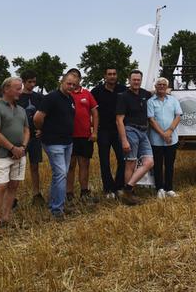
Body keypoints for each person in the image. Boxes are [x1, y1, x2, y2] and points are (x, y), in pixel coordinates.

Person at [0, 77, 29, 238]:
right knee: (1, 187)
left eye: (21, 88)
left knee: (13, 186)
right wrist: (12, 148)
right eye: (18, 88)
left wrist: (23, 147)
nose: (21, 91)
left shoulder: (22, 110)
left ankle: (6, 218)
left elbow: (27, 130)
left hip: (19, 154)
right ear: (6, 89)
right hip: (1, 156)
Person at [34, 72, 77, 219]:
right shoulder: (51, 97)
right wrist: (42, 130)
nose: (71, 86)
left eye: (73, 85)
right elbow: (38, 117)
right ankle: (57, 210)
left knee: (59, 175)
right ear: (62, 82)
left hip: (67, 142)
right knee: (61, 174)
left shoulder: (70, 99)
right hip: (54, 142)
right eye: (68, 83)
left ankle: (56, 204)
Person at [116, 70, 154, 205]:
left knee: (149, 162)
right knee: (130, 163)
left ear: (141, 80)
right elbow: (119, 120)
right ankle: (129, 196)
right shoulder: (123, 96)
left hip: (144, 132)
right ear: (129, 80)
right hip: (130, 131)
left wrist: (167, 90)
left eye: (138, 80)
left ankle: (127, 188)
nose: (136, 82)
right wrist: (124, 140)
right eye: (134, 80)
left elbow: (156, 93)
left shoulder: (145, 94)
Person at [91, 67, 127, 199]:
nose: (112, 76)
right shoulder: (96, 91)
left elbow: (139, 93)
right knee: (104, 161)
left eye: (114, 74)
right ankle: (108, 189)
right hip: (103, 130)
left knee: (123, 159)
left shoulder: (123, 90)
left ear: (117, 75)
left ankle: (119, 186)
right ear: (105, 76)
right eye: (109, 74)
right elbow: (90, 109)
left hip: (119, 130)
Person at [65, 68, 99, 203]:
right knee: (70, 165)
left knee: (84, 164)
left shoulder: (87, 94)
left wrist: (95, 132)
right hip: (69, 136)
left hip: (85, 136)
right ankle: (69, 192)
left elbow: (95, 113)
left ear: (79, 80)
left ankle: (84, 191)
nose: (73, 81)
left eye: (76, 78)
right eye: (71, 78)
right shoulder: (65, 94)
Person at [147, 77, 183, 199]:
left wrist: (169, 131)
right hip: (156, 140)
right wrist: (163, 134)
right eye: (159, 84)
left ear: (166, 87)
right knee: (157, 165)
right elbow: (151, 120)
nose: (161, 86)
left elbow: (178, 116)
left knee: (169, 165)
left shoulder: (173, 100)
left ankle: (169, 188)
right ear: (155, 87)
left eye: (164, 84)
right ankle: (159, 189)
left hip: (172, 139)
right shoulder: (151, 102)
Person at [17, 70, 45, 205]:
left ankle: (36, 194)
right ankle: (13, 196)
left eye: (34, 81)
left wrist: (42, 129)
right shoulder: (17, 97)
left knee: (35, 166)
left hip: (35, 137)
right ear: (23, 81)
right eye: (30, 82)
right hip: (19, 138)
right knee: (17, 166)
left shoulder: (39, 97)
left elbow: (45, 115)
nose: (32, 84)